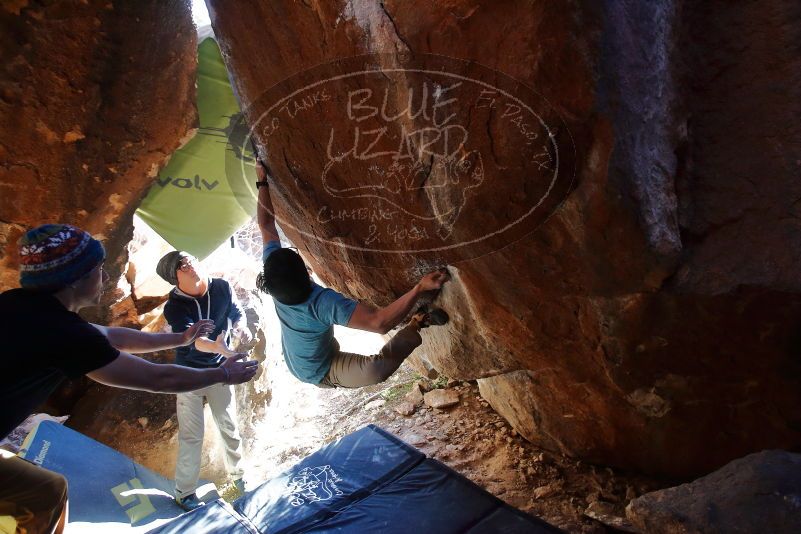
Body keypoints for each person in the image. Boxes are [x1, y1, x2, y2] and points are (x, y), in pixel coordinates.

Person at [0, 224, 258, 534]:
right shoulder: (64, 335)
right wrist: (223, 374)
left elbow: (112, 336)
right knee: (43, 495)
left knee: (46, 492)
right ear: (73, 280)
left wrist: (180, 339)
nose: (107, 277)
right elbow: (157, 378)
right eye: (98, 269)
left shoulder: (19, 305)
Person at [254, 159, 450, 388]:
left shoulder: (276, 277)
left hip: (305, 360)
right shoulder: (322, 303)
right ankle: (418, 322)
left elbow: (266, 224)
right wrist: (420, 288)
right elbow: (379, 323)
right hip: (323, 370)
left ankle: (420, 320)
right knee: (375, 371)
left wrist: (262, 181)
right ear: (305, 274)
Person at [156, 250, 252, 510]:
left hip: (222, 369)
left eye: (191, 260)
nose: (190, 266)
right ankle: (184, 492)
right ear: (174, 278)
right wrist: (221, 348)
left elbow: (235, 310)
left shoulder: (221, 286)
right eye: (182, 266)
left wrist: (240, 325)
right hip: (190, 375)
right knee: (192, 435)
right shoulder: (175, 306)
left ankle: (240, 479)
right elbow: (195, 341)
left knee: (229, 426)